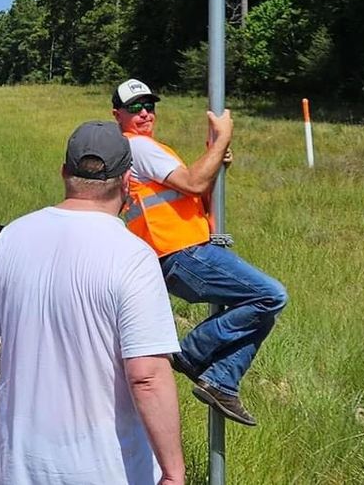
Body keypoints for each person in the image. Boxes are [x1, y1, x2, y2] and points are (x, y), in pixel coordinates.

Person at [0, 121, 186, 485]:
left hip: (19, 466)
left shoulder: (11, 238)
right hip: (107, 469)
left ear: (65, 172)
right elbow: (146, 376)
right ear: (127, 180)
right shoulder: (134, 257)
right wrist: (174, 471)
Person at [112, 78, 287, 427]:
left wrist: (217, 159)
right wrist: (221, 139)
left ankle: (221, 381)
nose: (145, 113)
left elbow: (196, 193)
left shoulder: (144, 149)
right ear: (117, 115)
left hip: (184, 253)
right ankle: (192, 352)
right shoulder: (138, 148)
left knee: (261, 310)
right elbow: (193, 181)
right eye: (135, 108)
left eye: (150, 105)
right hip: (182, 253)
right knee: (271, 295)